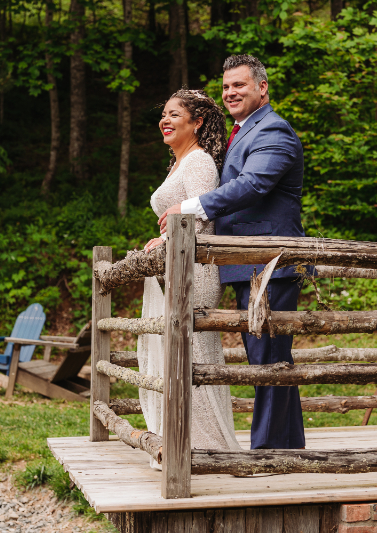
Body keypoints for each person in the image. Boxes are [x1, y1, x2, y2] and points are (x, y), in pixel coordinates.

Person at [158, 55, 306, 450]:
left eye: (239, 85)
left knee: (268, 361)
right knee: (272, 360)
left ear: (262, 88)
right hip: (246, 264)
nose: (230, 93)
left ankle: (268, 454)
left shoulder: (273, 131)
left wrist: (189, 208)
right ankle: (286, 447)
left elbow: (253, 185)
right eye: (226, 87)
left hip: (269, 264)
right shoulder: (242, 133)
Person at [140, 89, 240, 464]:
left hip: (196, 272)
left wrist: (168, 238)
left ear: (197, 122)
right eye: (163, 114)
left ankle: (207, 448)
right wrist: (163, 238)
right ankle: (185, 443)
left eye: (174, 115)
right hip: (180, 265)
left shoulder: (198, 163)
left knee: (192, 353)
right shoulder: (179, 162)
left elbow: (203, 218)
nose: (165, 120)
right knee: (178, 354)